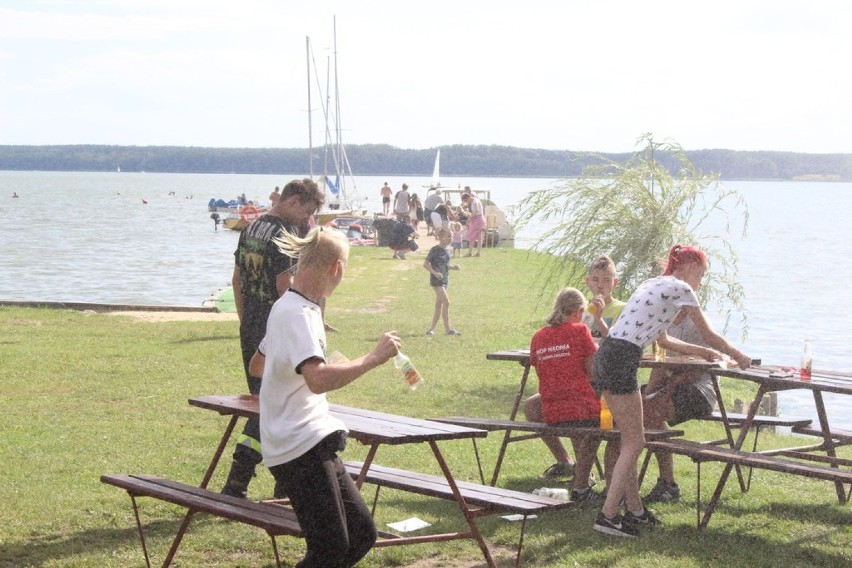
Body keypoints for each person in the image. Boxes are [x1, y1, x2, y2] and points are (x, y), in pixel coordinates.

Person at [260, 226, 400, 567]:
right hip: (299, 445)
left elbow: (258, 363)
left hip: (311, 439)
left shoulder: (289, 306)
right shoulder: (299, 314)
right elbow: (318, 380)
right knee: (330, 549)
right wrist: (372, 359)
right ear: (336, 267)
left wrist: (303, 364)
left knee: (362, 534)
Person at [592, 244, 751, 538]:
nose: (700, 282)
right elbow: (710, 333)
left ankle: (635, 511)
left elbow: (663, 341)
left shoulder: (652, 283)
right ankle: (608, 516)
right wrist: (739, 357)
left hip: (607, 355)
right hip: (622, 358)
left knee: (631, 439)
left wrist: (705, 354)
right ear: (689, 267)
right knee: (634, 442)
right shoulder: (682, 289)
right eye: (701, 274)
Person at [221, 178, 324, 500]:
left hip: (251, 325)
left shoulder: (252, 229)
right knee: (279, 404)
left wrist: (245, 322)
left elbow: (237, 280)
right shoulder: (285, 235)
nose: (308, 221)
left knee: (264, 404)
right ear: (294, 201)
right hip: (277, 330)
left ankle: (274, 484)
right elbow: (286, 288)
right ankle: (242, 482)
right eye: (308, 212)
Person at [524, 255, 623, 480]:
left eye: (606, 280)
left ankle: (582, 476)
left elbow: (618, 347)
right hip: (584, 392)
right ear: (588, 282)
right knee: (576, 412)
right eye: (596, 280)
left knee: (589, 411)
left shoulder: (621, 310)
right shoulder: (580, 323)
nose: (600, 285)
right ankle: (575, 474)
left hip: (594, 387)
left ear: (614, 282)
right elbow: (591, 371)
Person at [530, 288, 606, 502]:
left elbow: (542, 369)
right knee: (605, 426)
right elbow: (593, 373)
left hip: (551, 411)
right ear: (579, 311)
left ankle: (577, 473)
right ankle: (582, 486)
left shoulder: (538, 336)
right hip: (580, 408)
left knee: (578, 416)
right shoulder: (580, 331)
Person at [642, 311, 719, 502]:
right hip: (671, 382)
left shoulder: (697, 325)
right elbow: (660, 363)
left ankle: (668, 483)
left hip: (700, 388)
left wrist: (666, 390)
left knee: (653, 412)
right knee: (635, 405)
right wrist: (648, 395)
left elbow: (699, 367)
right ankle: (631, 482)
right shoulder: (662, 321)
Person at [424, 228, 461, 336]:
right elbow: (425, 264)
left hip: (445, 280)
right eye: (448, 236)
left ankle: (431, 329)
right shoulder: (434, 250)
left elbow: (445, 265)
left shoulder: (448, 250)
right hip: (436, 281)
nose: (451, 238)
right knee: (447, 302)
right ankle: (448, 330)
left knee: (438, 305)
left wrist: (453, 267)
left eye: (451, 236)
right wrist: (435, 273)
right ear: (440, 238)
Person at [461, 190, 485, 257]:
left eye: (466, 201)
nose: (467, 203)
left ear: (468, 198)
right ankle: (477, 252)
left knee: (472, 236)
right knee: (479, 237)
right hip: (480, 219)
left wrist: (469, 219)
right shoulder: (475, 200)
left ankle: (470, 252)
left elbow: (476, 211)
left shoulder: (474, 202)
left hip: (477, 220)